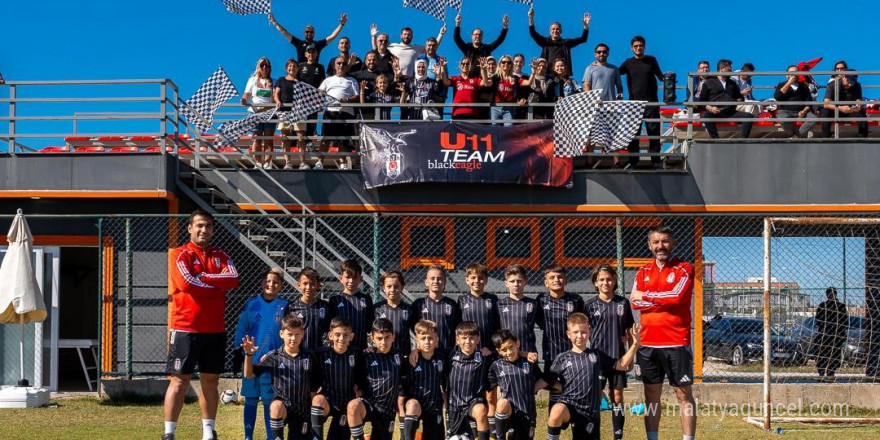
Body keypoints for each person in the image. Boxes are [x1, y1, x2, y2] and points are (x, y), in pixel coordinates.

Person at [164, 210, 241, 440]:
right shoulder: (179, 254)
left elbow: (233, 279)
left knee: (210, 381)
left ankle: (208, 432)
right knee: (179, 381)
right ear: (189, 228)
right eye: (199, 225)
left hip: (215, 329)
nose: (203, 230)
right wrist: (216, 283)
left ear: (213, 230)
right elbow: (186, 284)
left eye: (208, 226)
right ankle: (169, 433)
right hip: (185, 328)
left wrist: (204, 277)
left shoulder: (222, 255)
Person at [630, 226, 696, 440]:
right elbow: (634, 300)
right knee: (651, 397)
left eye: (665, 241)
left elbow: (676, 297)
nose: (661, 246)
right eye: (656, 242)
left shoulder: (684, 268)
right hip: (648, 344)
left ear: (673, 243)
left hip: (676, 341)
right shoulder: (642, 271)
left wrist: (648, 297)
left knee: (683, 394)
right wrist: (660, 300)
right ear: (649, 245)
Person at [545, 313, 640, 440]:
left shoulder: (596, 356)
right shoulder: (562, 358)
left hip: (589, 414)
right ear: (568, 334)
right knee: (556, 410)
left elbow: (620, 365)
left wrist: (635, 344)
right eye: (576, 332)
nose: (580, 336)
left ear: (589, 332)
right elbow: (545, 380)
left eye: (584, 332)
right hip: (570, 406)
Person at [241, 315, 322, 440]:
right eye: (289, 334)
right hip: (284, 407)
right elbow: (249, 374)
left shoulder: (310, 356)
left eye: (297, 334)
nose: (293, 338)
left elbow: (315, 384)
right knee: (275, 406)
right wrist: (248, 355)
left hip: (303, 411)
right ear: (281, 334)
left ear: (303, 335)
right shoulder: (274, 357)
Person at [233, 268, 289, 440]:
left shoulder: (285, 305)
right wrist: (237, 351)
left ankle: (270, 437)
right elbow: (242, 327)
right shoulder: (251, 304)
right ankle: (248, 436)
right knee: (250, 399)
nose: (271, 284)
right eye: (268, 280)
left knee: (268, 401)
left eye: (276, 282)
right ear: (262, 282)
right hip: (251, 360)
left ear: (281, 286)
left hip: (272, 363)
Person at [583, 265, 634, 440]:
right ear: (596, 283)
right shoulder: (589, 305)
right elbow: (581, 332)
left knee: (617, 397)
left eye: (609, 279)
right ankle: (594, 434)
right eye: (602, 279)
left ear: (615, 281)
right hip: (597, 360)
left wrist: (631, 357)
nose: (606, 282)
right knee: (595, 398)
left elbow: (630, 331)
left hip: (618, 358)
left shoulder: (623, 303)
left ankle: (618, 435)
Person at [347, 319, 408, 440]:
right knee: (353, 406)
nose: (383, 342)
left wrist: (416, 350)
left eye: (387, 337)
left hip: (387, 411)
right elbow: (355, 378)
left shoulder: (400, 357)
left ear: (393, 337)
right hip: (369, 404)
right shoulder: (366, 356)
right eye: (379, 338)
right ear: (372, 339)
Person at [536, 265, 584, 408]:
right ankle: (554, 425)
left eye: (560, 277)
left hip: (572, 353)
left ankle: (576, 421)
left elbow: (584, 324)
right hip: (551, 353)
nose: (556, 280)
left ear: (566, 280)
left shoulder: (575, 300)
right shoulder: (541, 300)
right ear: (546, 282)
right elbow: (538, 321)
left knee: (574, 386)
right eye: (552, 278)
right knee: (552, 387)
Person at [488, 329, 548, 440]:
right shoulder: (496, 366)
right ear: (498, 351)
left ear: (517, 343)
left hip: (527, 414)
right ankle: (500, 437)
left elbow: (544, 378)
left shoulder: (528, 362)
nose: (509, 352)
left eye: (511, 347)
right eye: (504, 350)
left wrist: (532, 389)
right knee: (502, 403)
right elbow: (489, 390)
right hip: (509, 414)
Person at [311, 317, 364, 440]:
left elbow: (362, 379)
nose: (341, 339)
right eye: (337, 334)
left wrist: (359, 392)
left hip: (346, 403)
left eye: (345, 335)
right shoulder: (321, 354)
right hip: (327, 400)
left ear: (351, 336)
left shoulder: (357, 354)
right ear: (330, 335)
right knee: (318, 400)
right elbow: (313, 379)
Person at [619, 36, 665, 168]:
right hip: (634, 104)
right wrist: (599, 65)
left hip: (651, 103)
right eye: (636, 46)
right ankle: (633, 161)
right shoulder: (628, 63)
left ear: (644, 46)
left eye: (640, 45)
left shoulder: (651, 60)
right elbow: (614, 73)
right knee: (633, 134)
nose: (638, 48)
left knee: (654, 132)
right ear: (631, 48)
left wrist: (668, 78)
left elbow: (660, 76)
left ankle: (656, 161)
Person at [401, 320, 449, 440]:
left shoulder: (442, 358)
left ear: (437, 339)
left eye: (430, 338)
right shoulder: (411, 361)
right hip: (415, 403)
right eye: (423, 338)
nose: (427, 342)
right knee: (412, 405)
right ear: (417, 340)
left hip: (434, 405)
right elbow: (402, 389)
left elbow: (445, 384)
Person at [445, 322, 492, 440]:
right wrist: (416, 351)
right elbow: (429, 353)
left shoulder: (484, 357)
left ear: (478, 339)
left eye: (471, 338)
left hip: (474, 402)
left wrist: (526, 354)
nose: (468, 341)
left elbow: (506, 354)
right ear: (457, 339)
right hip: (454, 406)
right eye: (464, 338)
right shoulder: (449, 355)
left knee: (480, 410)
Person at [318, 55, 360, 169]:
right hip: (331, 112)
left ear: (347, 66)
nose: (341, 65)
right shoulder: (328, 80)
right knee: (325, 138)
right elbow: (319, 93)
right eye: (339, 63)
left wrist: (346, 100)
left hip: (346, 113)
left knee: (343, 139)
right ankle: (319, 162)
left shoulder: (352, 81)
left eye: (344, 63)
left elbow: (357, 97)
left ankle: (342, 163)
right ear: (334, 66)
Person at [409, 265, 461, 352]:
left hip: (447, 352)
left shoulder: (452, 304)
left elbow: (458, 327)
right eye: (432, 278)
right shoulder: (418, 304)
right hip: (425, 352)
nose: (436, 281)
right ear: (426, 282)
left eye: (439, 279)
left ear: (445, 282)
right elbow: (413, 327)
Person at [698, 59, 753, 139]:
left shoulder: (732, 83)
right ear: (721, 69)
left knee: (749, 117)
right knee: (706, 116)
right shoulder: (708, 82)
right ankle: (716, 140)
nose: (731, 70)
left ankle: (743, 141)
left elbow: (740, 98)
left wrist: (734, 101)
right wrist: (711, 108)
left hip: (730, 112)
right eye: (729, 68)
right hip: (716, 112)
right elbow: (702, 101)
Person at [284, 267, 334, 352]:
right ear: (299, 285)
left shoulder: (326, 306)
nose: (309, 287)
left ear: (319, 285)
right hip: (299, 354)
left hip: (321, 353)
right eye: (305, 283)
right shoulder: (291, 307)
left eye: (312, 283)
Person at [328, 259, 374, 352]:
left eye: (355, 277)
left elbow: (370, 326)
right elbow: (330, 327)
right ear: (341, 278)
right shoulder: (335, 300)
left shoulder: (366, 299)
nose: (351, 281)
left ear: (361, 279)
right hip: (341, 350)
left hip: (361, 349)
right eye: (348, 277)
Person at [497, 264, 540, 363]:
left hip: (529, 353)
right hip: (507, 353)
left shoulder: (534, 304)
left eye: (519, 281)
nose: (516, 284)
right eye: (512, 281)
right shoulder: (499, 304)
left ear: (525, 282)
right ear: (506, 283)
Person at [527, 7, 591, 72]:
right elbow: (533, 34)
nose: (555, 31)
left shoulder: (566, 43)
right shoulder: (545, 42)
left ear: (561, 31)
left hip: (561, 74)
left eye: (557, 29)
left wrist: (586, 27)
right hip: (547, 73)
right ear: (550, 31)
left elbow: (583, 39)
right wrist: (530, 18)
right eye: (553, 29)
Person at [241, 57, 277, 169]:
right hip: (255, 112)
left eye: (267, 65)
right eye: (262, 65)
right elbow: (246, 94)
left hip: (269, 112)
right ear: (258, 67)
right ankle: (257, 162)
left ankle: (267, 162)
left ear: (270, 68)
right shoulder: (253, 80)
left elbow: (276, 97)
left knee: (268, 138)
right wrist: (244, 100)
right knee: (256, 138)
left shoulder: (274, 81)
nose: (264, 67)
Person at [268, 12, 347, 63]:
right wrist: (274, 22)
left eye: (311, 32)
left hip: (314, 72)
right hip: (300, 73)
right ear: (304, 33)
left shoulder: (318, 44)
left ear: (314, 34)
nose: (309, 33)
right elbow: (284, 32)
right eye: (307, 32)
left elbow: (332, 36)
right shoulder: (299, 43)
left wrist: (341, 24)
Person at [374, 25, 447, 78]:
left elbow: (432, 47)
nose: (406, 36)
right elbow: (377, 49)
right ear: (401, 36)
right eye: (405, 34)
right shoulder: (393, 46)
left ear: (412, 36)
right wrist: (373, 36)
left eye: (409, 35)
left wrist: (441, 34)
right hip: (395, 77)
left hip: (410, 79)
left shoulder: (416, 48)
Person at [274, 58, 308, 169]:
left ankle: (302, 161)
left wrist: (301, 103)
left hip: (298, 112)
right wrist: (278, 101)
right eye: (289, 66)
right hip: (284, 111)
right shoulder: (281, 80)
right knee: (285, 136)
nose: (291, 68)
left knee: (300, 136)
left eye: (294, 66)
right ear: (286, 68)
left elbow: (306, 96)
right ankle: (288, 162)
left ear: (298, 68)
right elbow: (276, 94)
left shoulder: (301, 82)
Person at [458, 263, 499, 353]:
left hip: (488, 349)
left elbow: (498, 324)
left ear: (486, 280)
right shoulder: (462, 300)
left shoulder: (493, 299)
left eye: (480, 278)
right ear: (467, 280)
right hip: (468, 348)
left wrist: (493, 348)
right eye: (473, 277)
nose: (476, 281)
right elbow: (457, 325)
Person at [296, 44, 327, 157]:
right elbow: (296, 82)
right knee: (300, 125)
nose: (311, 54)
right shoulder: (301, 65)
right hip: (302, 100)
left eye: (313, 52)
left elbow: (324, 83)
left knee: (311, 124)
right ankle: (300, 147)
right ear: (305, 54)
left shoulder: (320, 67)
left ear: (316, 54)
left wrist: (321, 99)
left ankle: (309, 145)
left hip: (314, 101)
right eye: (309, 52)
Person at [375, 270, 412, 359]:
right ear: (383, 288)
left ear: (402, 287)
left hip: (403, 356)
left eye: (396, 286)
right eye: (389, 286)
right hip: (381, 356)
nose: (392, 290)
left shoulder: (409, 309)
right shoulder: (376, 309)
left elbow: (418, 331)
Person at [814, 287, 848, 382]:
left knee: (825, 353)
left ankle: (827, 373)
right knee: (829, 354)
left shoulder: (826, 306)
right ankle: (826, 373)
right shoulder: (827, 306)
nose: (831, 295)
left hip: (828, 334)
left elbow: (818, 320)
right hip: (831, 335)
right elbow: (845, 322)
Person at [774, 65, 818, 138]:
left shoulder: (803, 86)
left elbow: (808, 101)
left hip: (801, 111)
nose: (794, 74)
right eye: (791, 72)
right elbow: (777, 97)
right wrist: (789, 83)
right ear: (787, 75)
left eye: (796, 72)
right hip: (785, 111)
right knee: (782, 119)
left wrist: (804, 111)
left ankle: (797, 135)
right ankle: (793, 134)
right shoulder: (781, 84)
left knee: (813, 119)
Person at [820, 71, 868, 138]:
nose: (850, 85)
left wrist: (855, 108)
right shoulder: (832, 85)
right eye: (849, 82)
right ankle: (826, 136)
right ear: (844, 78)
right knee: (825, 111)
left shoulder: (857, 85)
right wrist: (840, 108)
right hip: (835, 110)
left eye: (852, 83)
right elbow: (826, 104)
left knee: (861, 112)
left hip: (849, 110)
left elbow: (859, 102)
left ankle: (862, 136)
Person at [490, 54, 533, 126]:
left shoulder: (515, 78)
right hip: (496, 107)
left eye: (509, 62)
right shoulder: (495, 77)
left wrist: (533, 71)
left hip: (509, 108)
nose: (506, 64)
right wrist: (483, 70)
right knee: (495, 129)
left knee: (509, 130)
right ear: (500, 64)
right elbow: (486, 83)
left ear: (511, 64)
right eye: (503, 62)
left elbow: (529, 83)